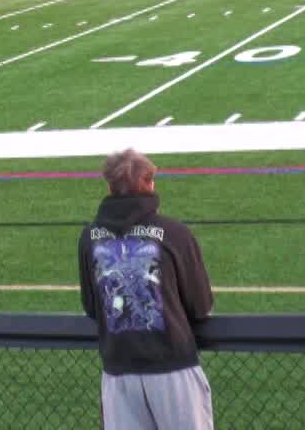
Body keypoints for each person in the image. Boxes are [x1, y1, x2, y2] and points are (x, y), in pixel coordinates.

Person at [80, 149, 215, 430]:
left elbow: (92, 306)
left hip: (117, 372)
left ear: (109, 187)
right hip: (172, 367)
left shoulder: (89, 237)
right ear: (150, 183)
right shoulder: (174, 232)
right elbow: (200, 305)